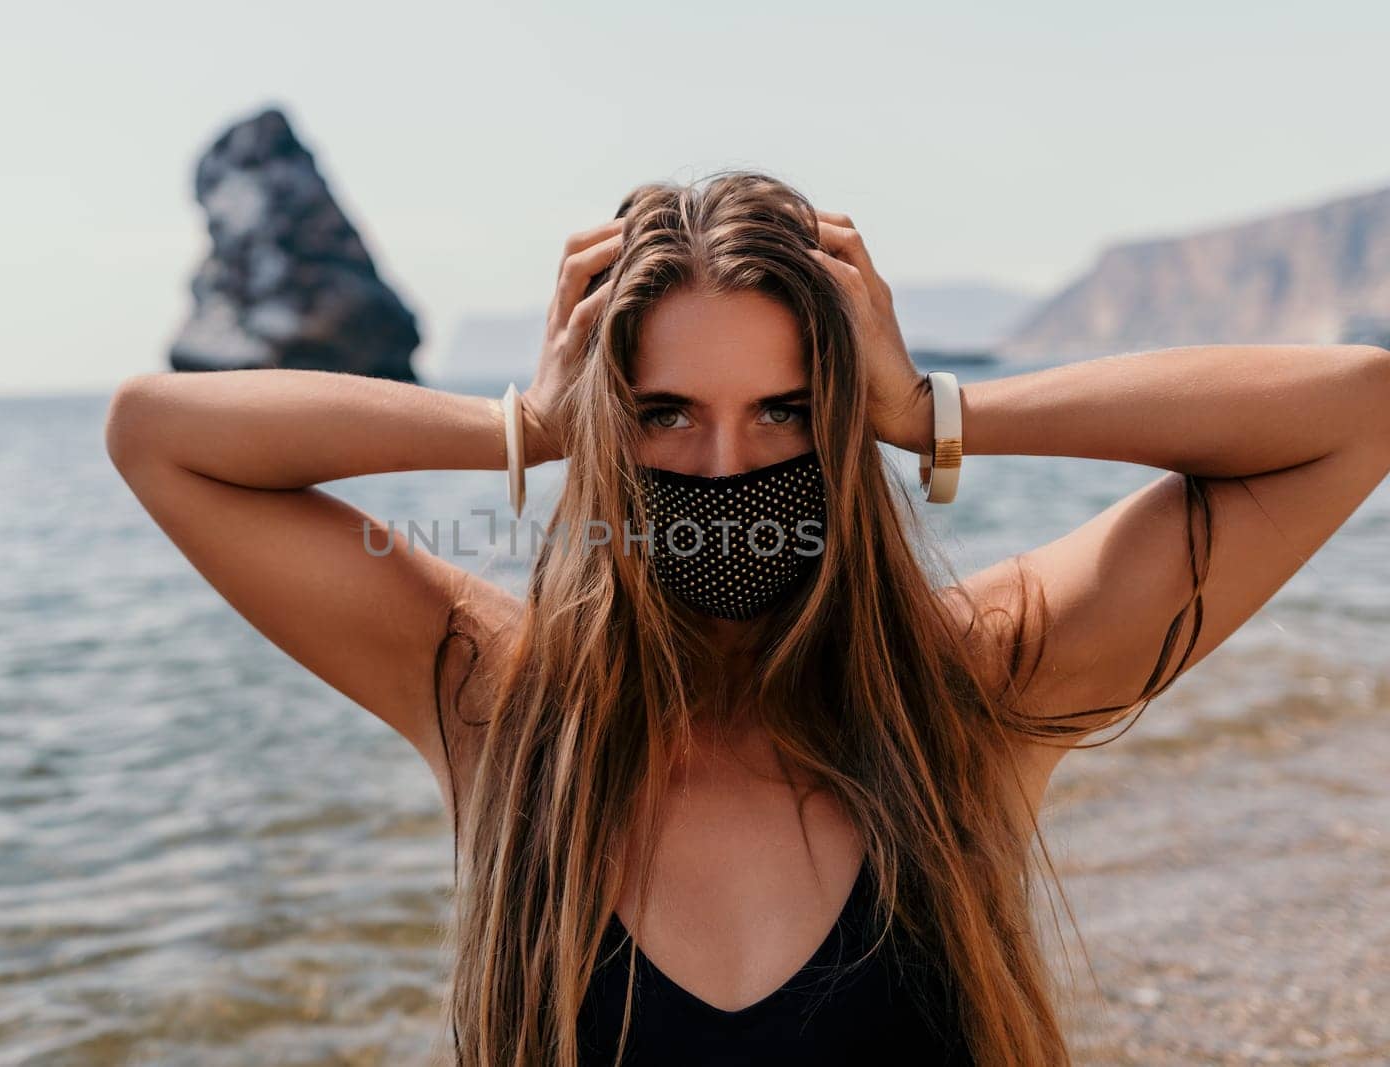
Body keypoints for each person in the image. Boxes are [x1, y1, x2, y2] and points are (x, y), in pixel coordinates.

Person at [103, 170, 1390, 1067]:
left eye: (782, 407)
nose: (724, 466)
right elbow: (161, 438)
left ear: (839, 418)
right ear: (611, 426)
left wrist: (933, 410)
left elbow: (1350, 412)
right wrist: (527, 426)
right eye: (665, 411)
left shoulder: (975, 689)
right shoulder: (503, 705)